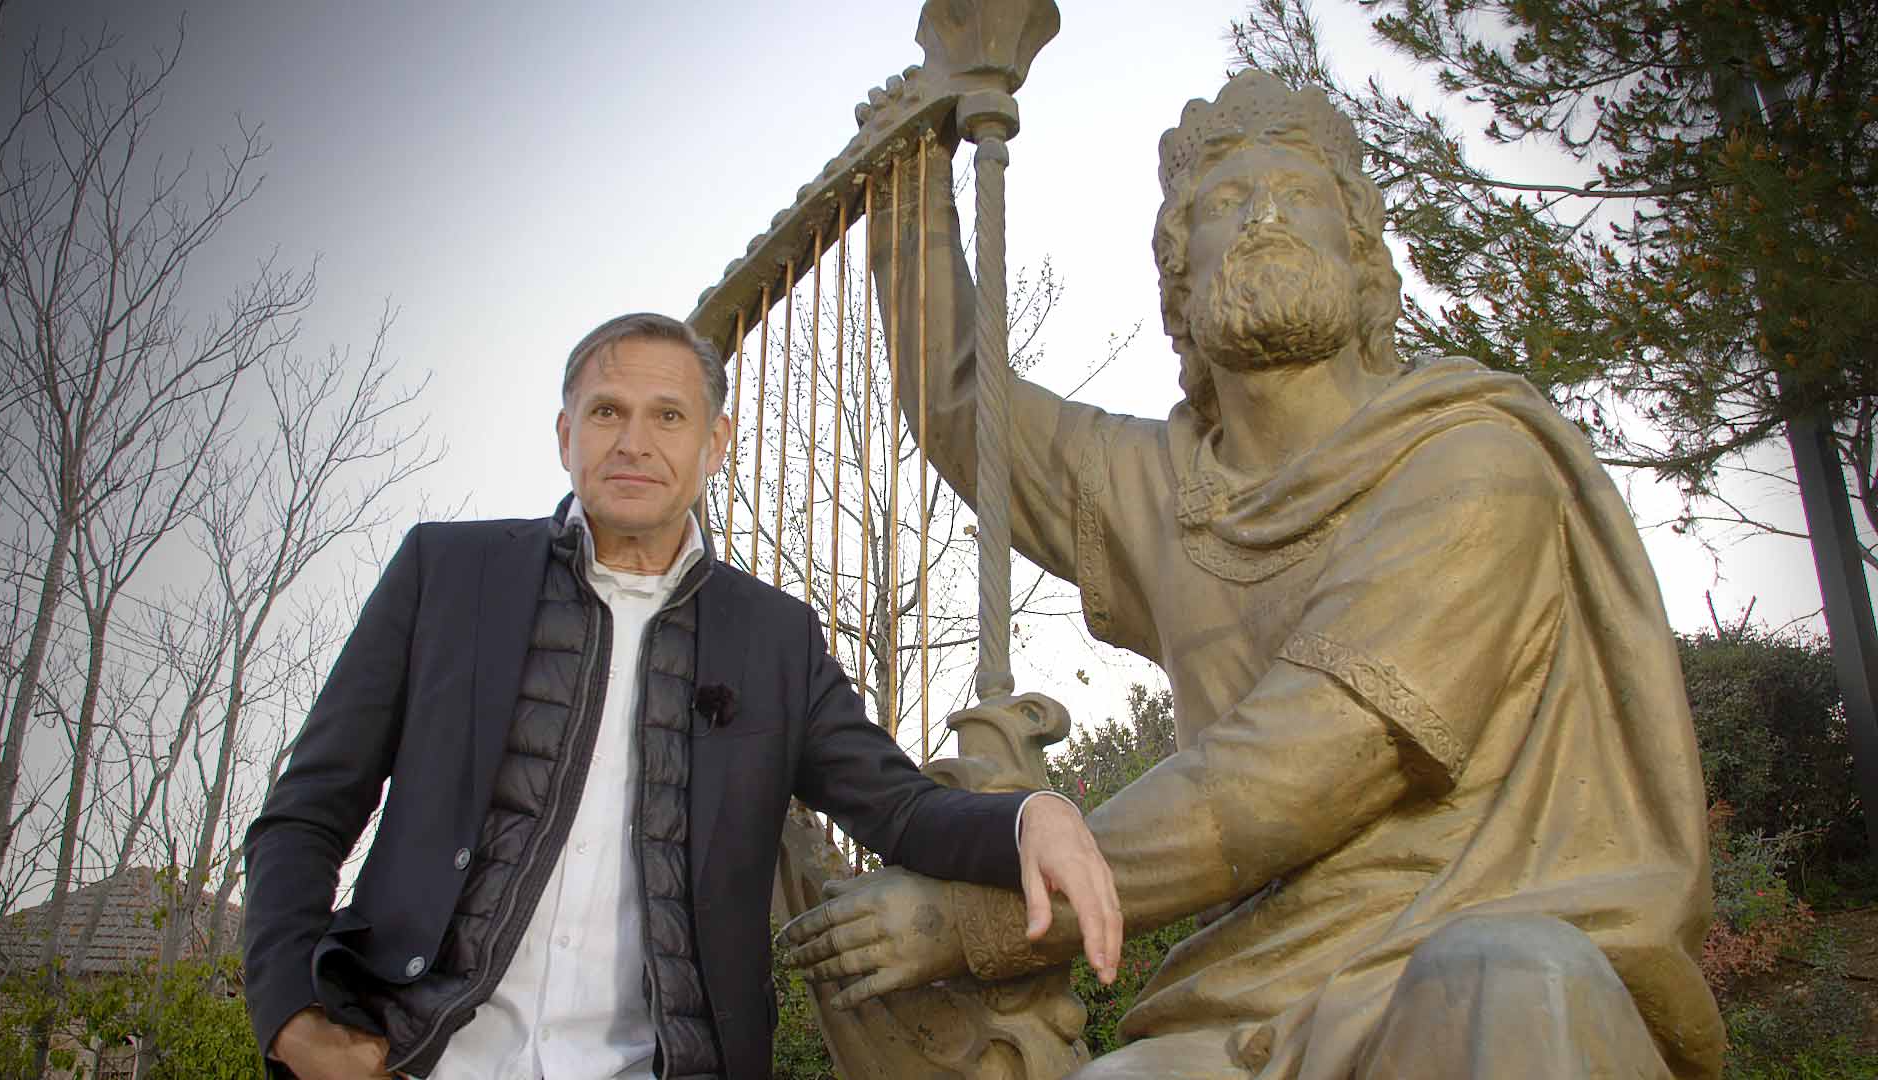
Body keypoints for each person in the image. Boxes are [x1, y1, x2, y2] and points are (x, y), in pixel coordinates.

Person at [783, 71, 1725, 1078]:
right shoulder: (1161, 486)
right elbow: (967, 411)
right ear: (1178, 283)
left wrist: (976, 916)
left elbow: (1311, 763)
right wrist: (910, 186)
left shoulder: (1471, 459)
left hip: (1464, 956)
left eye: (1302, 194)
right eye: (1226, 203)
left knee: (1503, 977)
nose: (1265, 215)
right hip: (1244, 1000)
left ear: (1364, 259)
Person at [240, 312, 1122, 1080]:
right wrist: (293, 1023)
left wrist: (1029, 817)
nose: (634, 441)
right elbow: (306, 814)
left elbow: (898, 810)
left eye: (667, 416)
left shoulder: (772, 638)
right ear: (565, 435)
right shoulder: (446, 573)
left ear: (713, 445)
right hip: (415, 1054)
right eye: (606, 413)